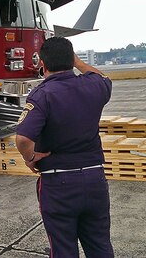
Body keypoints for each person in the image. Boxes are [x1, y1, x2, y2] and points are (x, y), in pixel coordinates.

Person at [15, 37, 114, 258]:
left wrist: (30, 157)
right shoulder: (94, 86)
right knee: (100, 246)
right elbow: (104, 77)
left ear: (42, 63)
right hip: (95, 178)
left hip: (59, 185)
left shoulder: (42, 95)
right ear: (72, 59)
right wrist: (78, 63)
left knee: (63, 249)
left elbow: (23, 139)